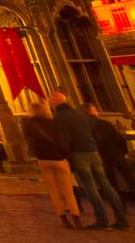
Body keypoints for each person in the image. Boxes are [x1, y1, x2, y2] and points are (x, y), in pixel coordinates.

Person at [52, 91, 129, 229]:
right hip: (93, 151)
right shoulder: (80, 114)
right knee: (106, 186)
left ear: (54, 103)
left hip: (79, 154)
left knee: (91, 188)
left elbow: (63, 140)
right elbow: (94, 134)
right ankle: (122, 220)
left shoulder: (60, 117)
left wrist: (67, 157)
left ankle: (102, 220)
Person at [24, 101, 79, 228]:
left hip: (43, 159)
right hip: (58, 158)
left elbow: (29, 142)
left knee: (53, 191)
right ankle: (76, 218)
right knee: (68, 190)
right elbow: (62, 141)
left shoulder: (29, 125)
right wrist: (65, 155)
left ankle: (63, 219)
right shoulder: (53, 123)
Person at [87, 105, 133, 194]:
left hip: (101, 157)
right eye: (96, 110)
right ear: (92, 111)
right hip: (116, 153)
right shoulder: (105, 123)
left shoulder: (84, 126)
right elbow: (119, 139)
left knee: (112, 183)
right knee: (128, 177)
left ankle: (119, 204)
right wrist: (124, 152)